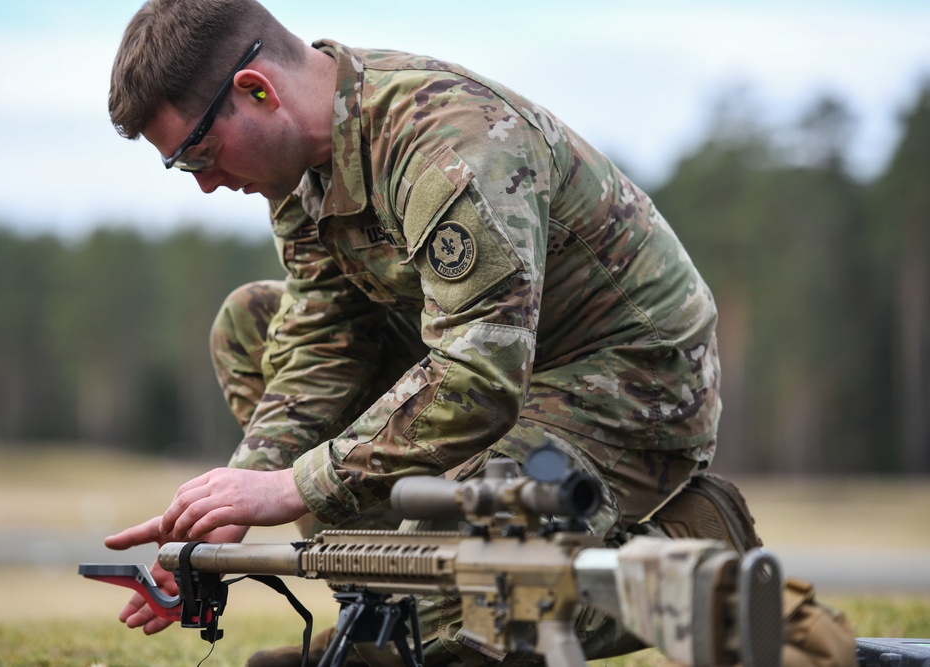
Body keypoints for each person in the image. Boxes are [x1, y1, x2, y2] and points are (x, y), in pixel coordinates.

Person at [103, 1, 856, 665]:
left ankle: (694, 539)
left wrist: (294, 484)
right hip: (495, 367)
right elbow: (321, 345)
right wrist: (227, 510)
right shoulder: (302, 172)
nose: (204, 183)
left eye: (199, 155)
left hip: (628, 379)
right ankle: (385, 608)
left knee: (457, 612)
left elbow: (477, 382)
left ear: (256, 90)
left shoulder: (447, 145)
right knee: (251, 323)